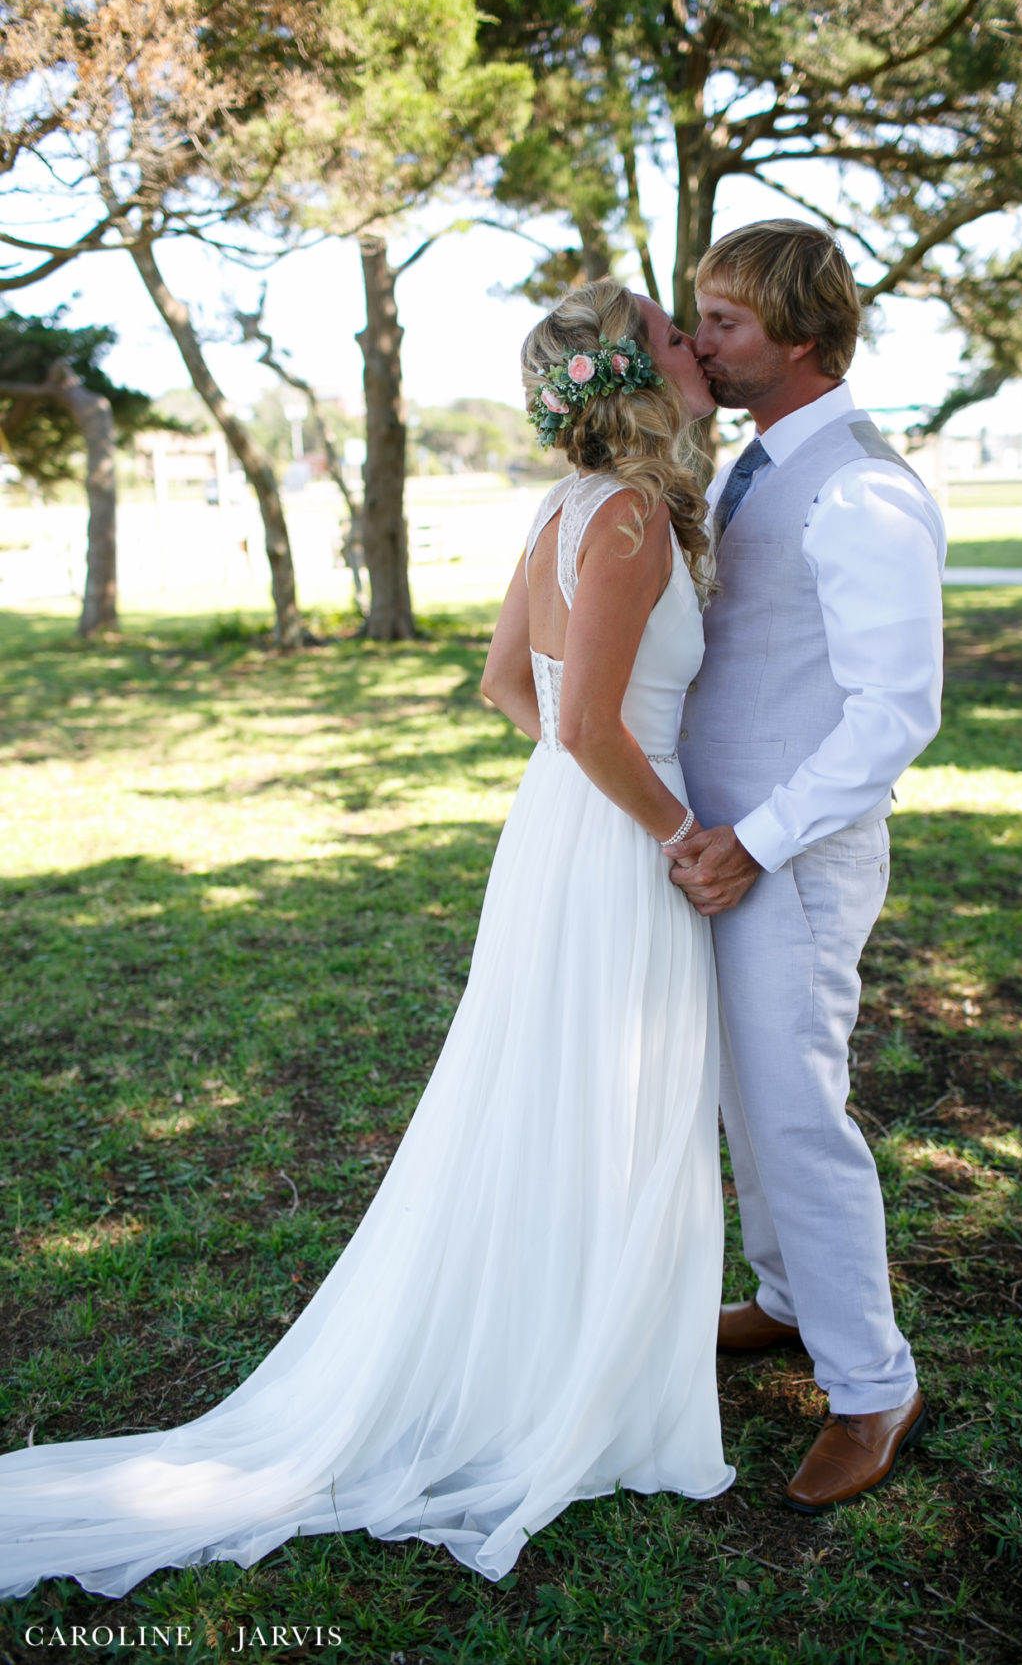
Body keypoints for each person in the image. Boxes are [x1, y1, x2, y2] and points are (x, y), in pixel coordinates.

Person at [0, 280, 734, 1599]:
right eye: (676, 338)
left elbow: (513, 686)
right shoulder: (625, 514)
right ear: (631, 375)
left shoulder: (562, 509)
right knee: (614, 1103)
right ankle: (586, 1392)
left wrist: (591, 798)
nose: (694, 349)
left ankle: (563, 1355)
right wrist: (680, 833)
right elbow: (581, 723)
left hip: (563, 840)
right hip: (623, 848)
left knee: (557, 1103)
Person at [668, 220, 945, 1515]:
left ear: (795, 334)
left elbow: (891, 714)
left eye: (719, 321)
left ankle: (871, 1381)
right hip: (726, 848)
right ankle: (784, 1298)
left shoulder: (862, 489)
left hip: (796, 852)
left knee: (794, 1109)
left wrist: (755, 840)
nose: (696, 341)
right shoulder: (751, 467)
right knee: (745, 1096)